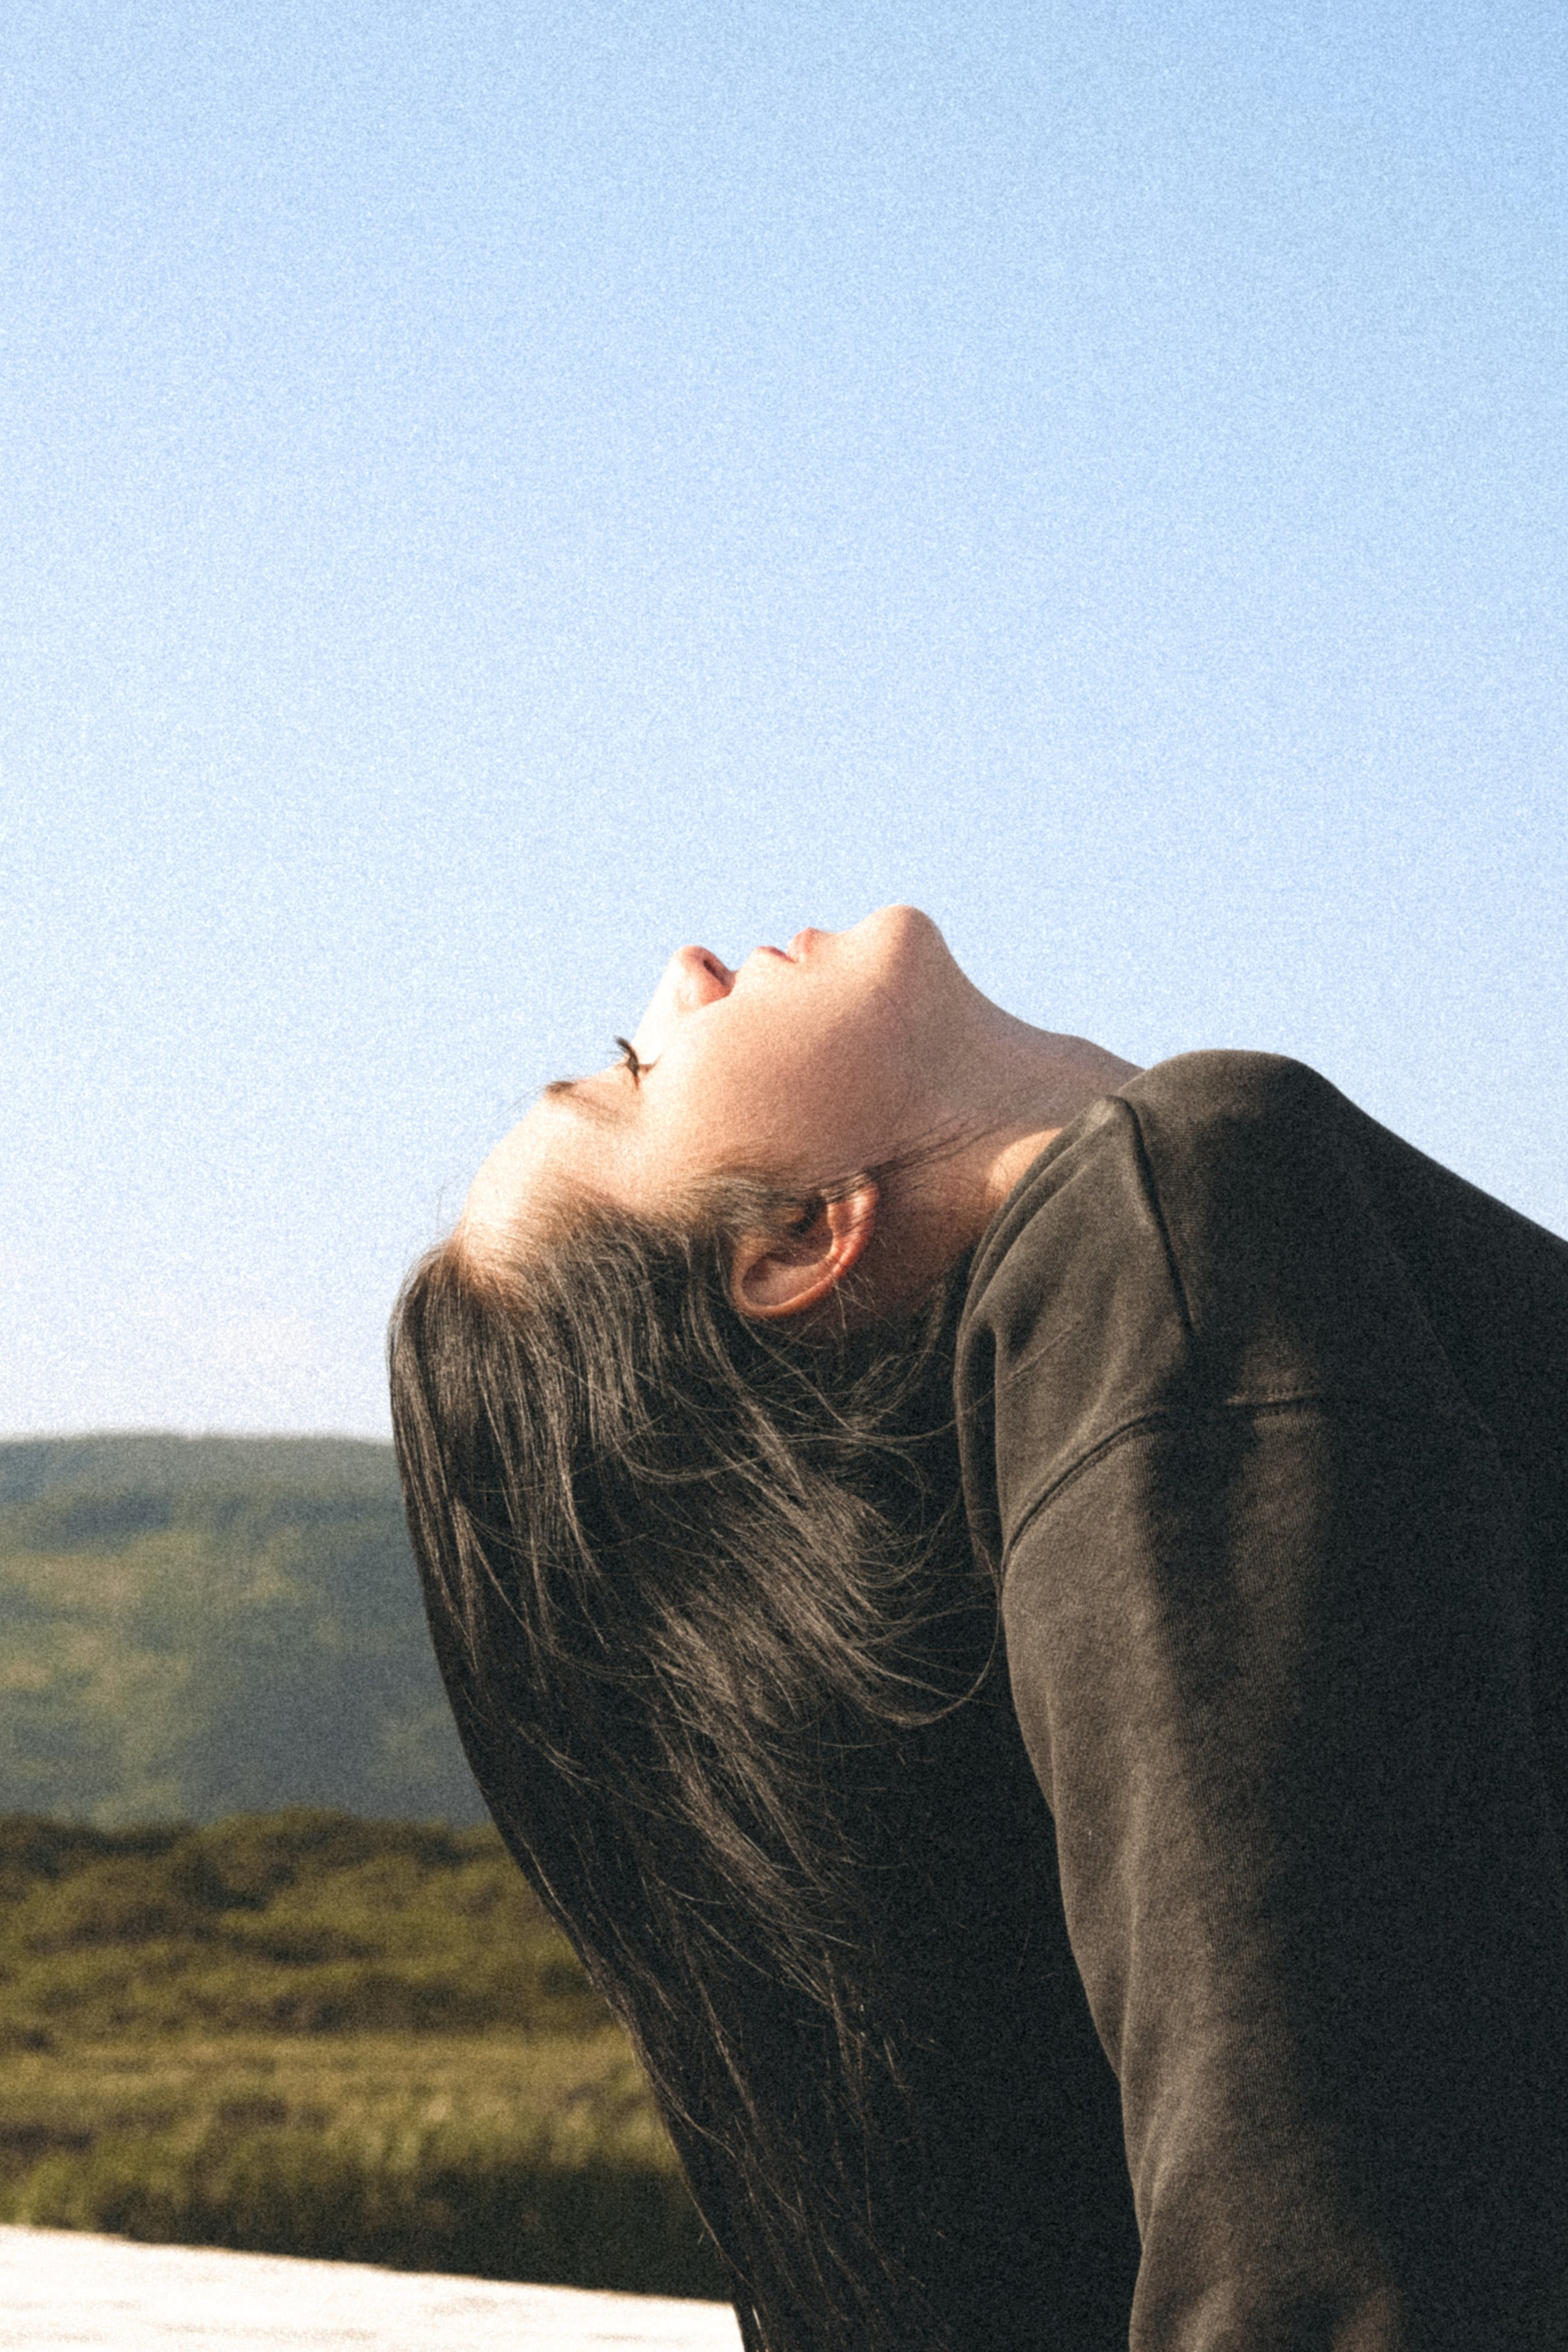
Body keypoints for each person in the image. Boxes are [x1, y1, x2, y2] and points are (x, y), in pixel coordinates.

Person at [388, 906, 1568, 2352]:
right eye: (631, 1074)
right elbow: (1328, 2258)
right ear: (796, 1239)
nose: (681, 974)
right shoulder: (1181, 1212)